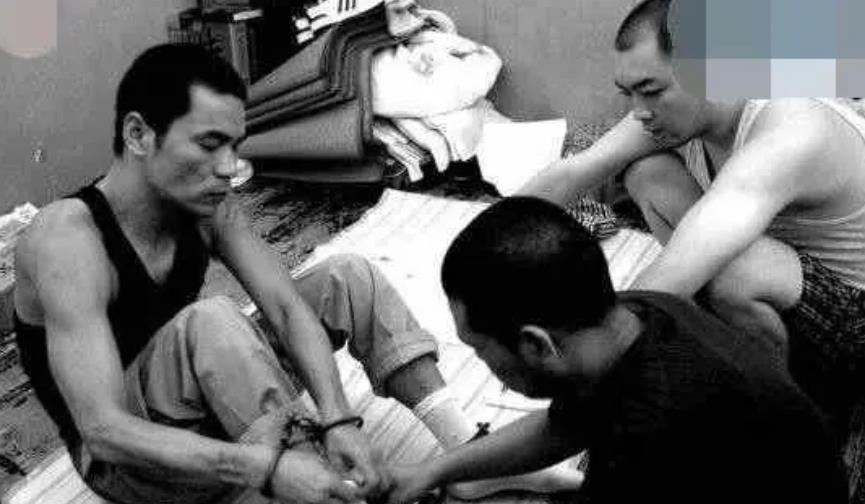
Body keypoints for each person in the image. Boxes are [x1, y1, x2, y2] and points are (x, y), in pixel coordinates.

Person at [12, 44, 581, 504]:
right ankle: (324, 489)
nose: (229, 168)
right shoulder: (68, 240)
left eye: (233, 146)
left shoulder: (205, 204)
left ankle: (468, 460)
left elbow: (286, 309)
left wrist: (338, 419)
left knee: (346, 277)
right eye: (208, 145)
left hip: (201, 406)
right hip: (130, 465)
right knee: (212, 321)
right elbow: (103, 431)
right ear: (139, 135)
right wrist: (268, 466)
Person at [520, 0, 865, 454]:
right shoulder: (681, 110)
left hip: (854, 321)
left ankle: (792, 422)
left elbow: (668, 280)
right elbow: (575, 172)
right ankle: (731, 340)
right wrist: (476, 258)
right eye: (629, 93)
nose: (639, 111)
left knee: (731, 271)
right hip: (788, 285)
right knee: (648, 172)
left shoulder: (792, 128)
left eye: (651, 90)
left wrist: (587, 352)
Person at [385, 196, 847, 504]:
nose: (481, 362)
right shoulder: (633, 314)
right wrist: (433, 471)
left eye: (479, 349)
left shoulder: (650, 436)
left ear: (536, 344)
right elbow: (563, 426)